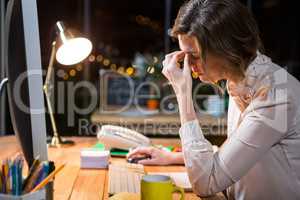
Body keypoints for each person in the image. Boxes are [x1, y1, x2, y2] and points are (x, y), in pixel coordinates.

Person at [127, 0, 300, 199]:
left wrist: (183, 93)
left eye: (195, 56)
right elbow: (239, 152)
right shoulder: (239, 82)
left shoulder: (277, 96)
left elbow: (205, 183)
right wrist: (173, 157)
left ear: (226, 48)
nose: (189, 65)